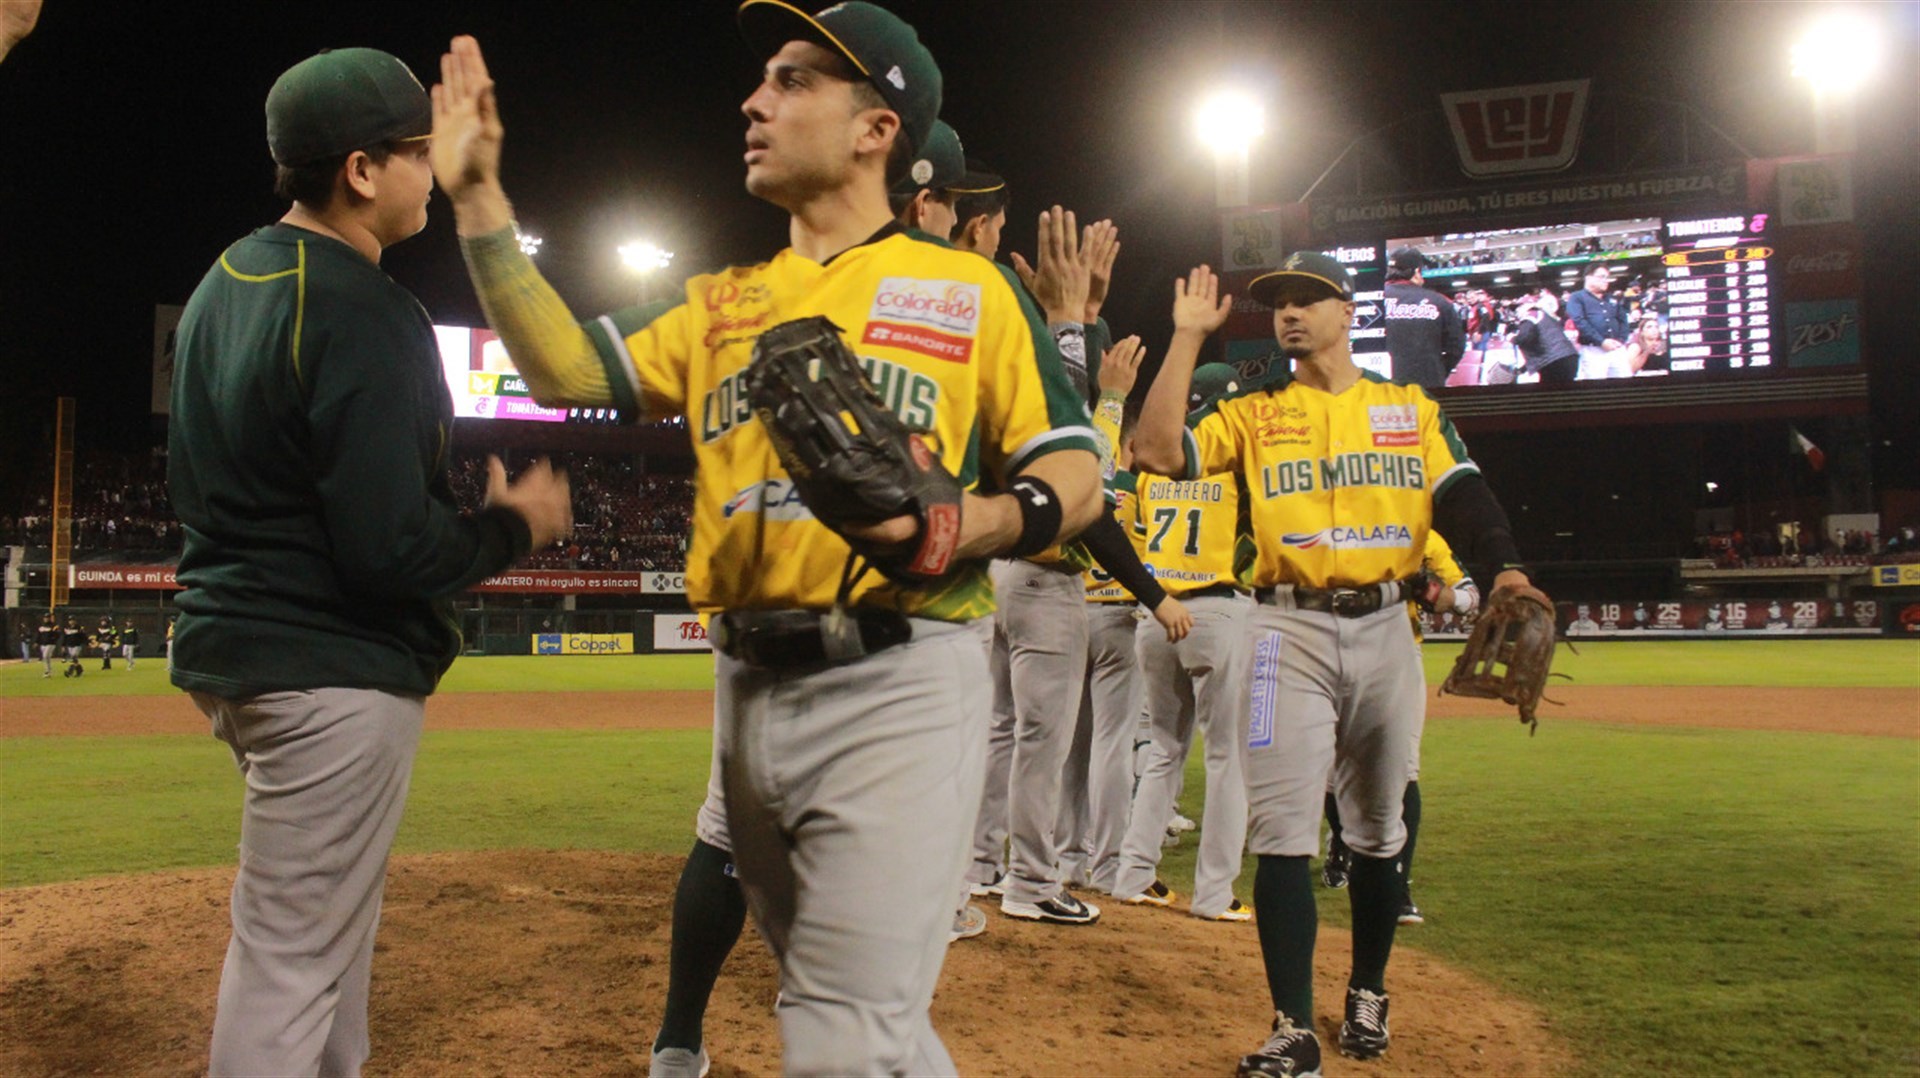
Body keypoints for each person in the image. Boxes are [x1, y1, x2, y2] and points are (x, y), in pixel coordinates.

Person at [430, 4, 1102, 1071]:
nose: (754, 100)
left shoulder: (970, 292)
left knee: (840, 1027)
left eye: (794, 81)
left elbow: (1076, 468)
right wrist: (478, 201)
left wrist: (974, 521)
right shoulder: (720, 304)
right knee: (855, 1017)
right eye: (763, 80)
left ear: (877, 128)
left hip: (902, 675)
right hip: (747, 690)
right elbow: (564, 371)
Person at [168, 48, 571, 1076]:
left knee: (324, 943)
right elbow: (389, 546)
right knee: (291, 962)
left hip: (239, 651)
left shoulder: (224, 280)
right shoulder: (363, 306)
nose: (429, 170)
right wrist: (514, 527)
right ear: (359, 170)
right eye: (415, 151)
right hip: (327, 672)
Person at [1132, 253, 1550, 1075]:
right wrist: (1184, 339)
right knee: (1282, 832)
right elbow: (1152, 451)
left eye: (1307, 299)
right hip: (1280, 636)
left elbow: (1464, 493)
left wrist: (1503, 565)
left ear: (1346, 310)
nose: (1289, 313)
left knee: (1379, 831)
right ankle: (1293, 1027)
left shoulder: (1408, 408)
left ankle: (1368, 986)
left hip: (1388, 628)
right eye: (1278, 303)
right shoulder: (1251, 415)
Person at [1113, 362, 1254, 922]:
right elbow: (1255, 544)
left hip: (1156, 615)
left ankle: (1133, 875)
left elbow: (1137, 535)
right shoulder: (1233, 462)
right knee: (1226, 760)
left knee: (1163, 753)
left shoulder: (1152, 466)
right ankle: (1216, 894)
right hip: (1216, 611)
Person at [1322, 533, 1477, 928]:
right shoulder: (1327, 514)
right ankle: (1341, 842)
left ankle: (1398, 886)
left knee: (1403, 767)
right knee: (1328, 768)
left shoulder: (1422, 532)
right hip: (1324, 647)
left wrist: (1441, 594)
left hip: (1399, 650)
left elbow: (1469, 596)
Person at [1380, 247, 1465, 389]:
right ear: (1416, 272)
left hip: (1379, 390)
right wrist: (1437, 372)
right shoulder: (1440, 302)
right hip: (1427, 388)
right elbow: (1457, 347)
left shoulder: (1369, 301)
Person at [1566, 263, 1629, 380]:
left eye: (1607, 277)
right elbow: (1580, 321)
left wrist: (1621, 340)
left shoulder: (1612, 298)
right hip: (1593, 350)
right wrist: (1601, 341)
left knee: (1624, 381)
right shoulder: (1577, 297)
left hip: (1617, 348)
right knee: (1596, 383)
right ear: (1588, 278)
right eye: (1601, 277)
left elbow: (1623, 319)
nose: (1606, 281)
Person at [1507, 291, 1579, 384]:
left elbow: (1526, 338)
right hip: (1567, 358)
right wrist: (1522, 369)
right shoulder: (1545, 316)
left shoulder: (1530, 316)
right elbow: (1541, 346)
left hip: (1553, 363)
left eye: (1519, 306)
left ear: (1528, 305)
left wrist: (1512, 338)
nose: (1516, 310)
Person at [37, 611, 59, 677]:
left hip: (51, 644)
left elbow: (58, 635)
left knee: (45, 656)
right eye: (45, 617)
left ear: (50, 618)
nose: (46, 619)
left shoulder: (54, 626)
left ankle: (47, 671)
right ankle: (49, 671)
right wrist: (36, 642)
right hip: (43, 644)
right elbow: (39, 635)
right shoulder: (41, 626)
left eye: (48, 617)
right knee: (47, 658)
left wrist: (53, 638)